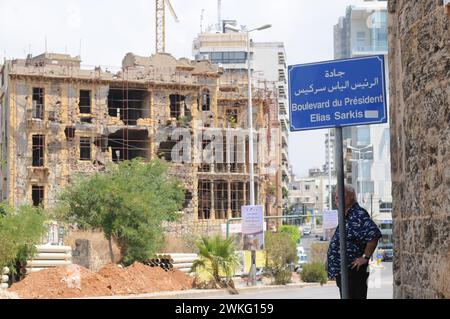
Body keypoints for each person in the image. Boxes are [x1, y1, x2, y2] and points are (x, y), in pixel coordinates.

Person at [327, 185, 382, 299]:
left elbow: (373, 234)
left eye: (341, 194)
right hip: (344, 272)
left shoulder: (358, 214)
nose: (336, 197)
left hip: (353, 271)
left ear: (351, 196)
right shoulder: (347, 215)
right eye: (335, 196)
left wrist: (365, 258)